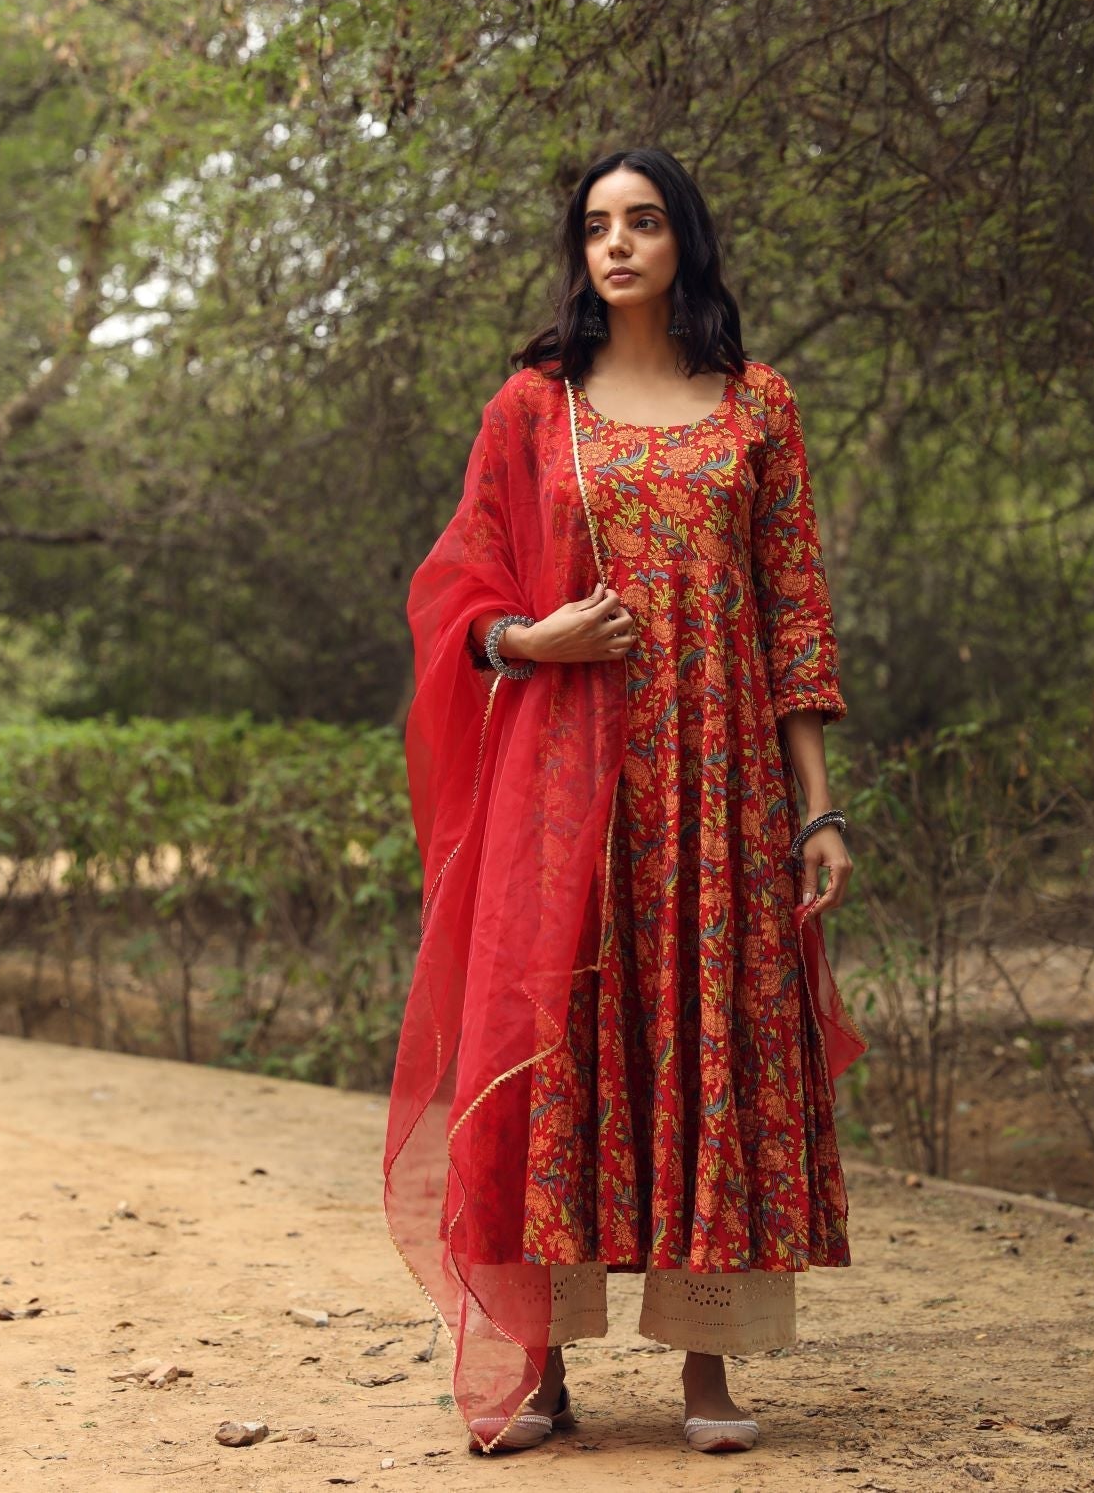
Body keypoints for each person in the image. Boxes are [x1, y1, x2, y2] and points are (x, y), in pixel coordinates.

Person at [382, 146, 868, 1457]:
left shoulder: (759, 404)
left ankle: (708, 1367)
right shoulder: (533, 408)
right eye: (596, 225)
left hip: (721, 788)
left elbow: (795, 611)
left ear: (682, 240)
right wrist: (529, 641)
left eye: (643, 222)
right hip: (566, 791)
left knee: (711, 1041)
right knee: (559, 1052)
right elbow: (457, 583)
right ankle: (539, 1369)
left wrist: (818, 810)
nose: (617, 244)